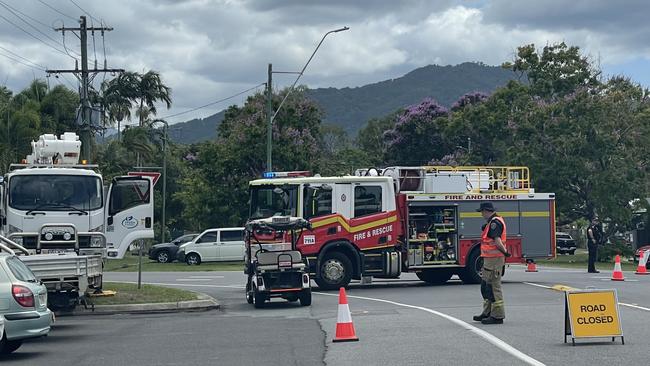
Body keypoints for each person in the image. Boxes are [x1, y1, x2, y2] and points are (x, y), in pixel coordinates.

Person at [473, 202, 511, 325]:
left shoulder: (495, 223)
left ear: (486, 210)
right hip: (489, 259)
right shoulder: (492, 222)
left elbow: (497, 241)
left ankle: (497, 316)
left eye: (482, 211)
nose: (481, 214)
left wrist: (505, 253)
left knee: (494, 287)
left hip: (495, 259)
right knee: (486, 286)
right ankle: (487, 312)